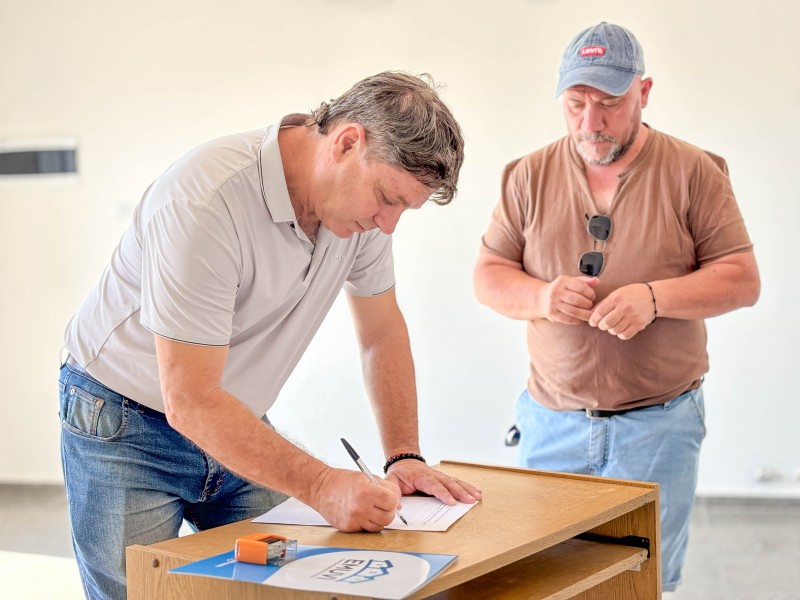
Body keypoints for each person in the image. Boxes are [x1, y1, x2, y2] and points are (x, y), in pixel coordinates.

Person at [60, 71, 482, 600]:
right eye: (387, 199)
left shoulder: (362, 218)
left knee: (288, 588)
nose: (389, 224)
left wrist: (403, 456)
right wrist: (324, 486)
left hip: (230, 414)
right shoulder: (205, 200)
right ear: (347, 142)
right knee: (139, 594)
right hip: (122, 422)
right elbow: (188, 400)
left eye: (404, 209)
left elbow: (381, 332)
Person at [473, 22, 759, 593]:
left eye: (608, 103)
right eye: (576, 104)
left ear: (644, 93)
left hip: (659, 426)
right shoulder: (526, 176)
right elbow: (488, 275)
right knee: (547, 580)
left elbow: (741, 278)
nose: (590, 122)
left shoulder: (694, 170)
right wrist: (542, 297)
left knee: (641, 582)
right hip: (551, 423)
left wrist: (656, 298)